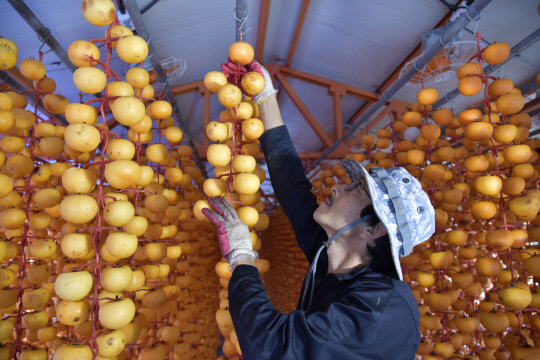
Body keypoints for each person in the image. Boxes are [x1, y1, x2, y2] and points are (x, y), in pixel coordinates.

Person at [202, 63, 436, 360]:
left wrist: (242, 257)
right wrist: (265, 96)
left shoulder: (380, 311)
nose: (338, 188)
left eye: (354, 190)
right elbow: (294, 190)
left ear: (373, 229)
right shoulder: (334, 262)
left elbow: (272, 346)